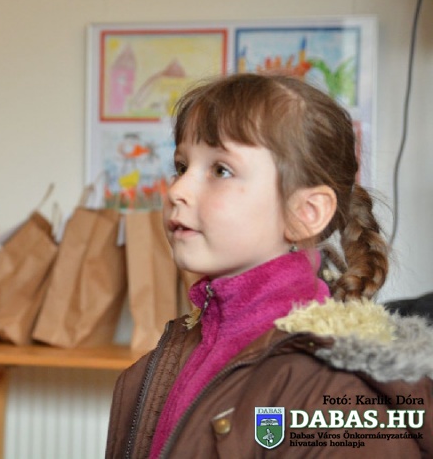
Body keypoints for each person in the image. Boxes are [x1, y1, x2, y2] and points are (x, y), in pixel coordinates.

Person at [105, 73, 433, 458]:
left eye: (221, 170)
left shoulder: (340, 399)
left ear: (306, 212)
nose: (177, 190)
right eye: (181, 166)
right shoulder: (157, 368)